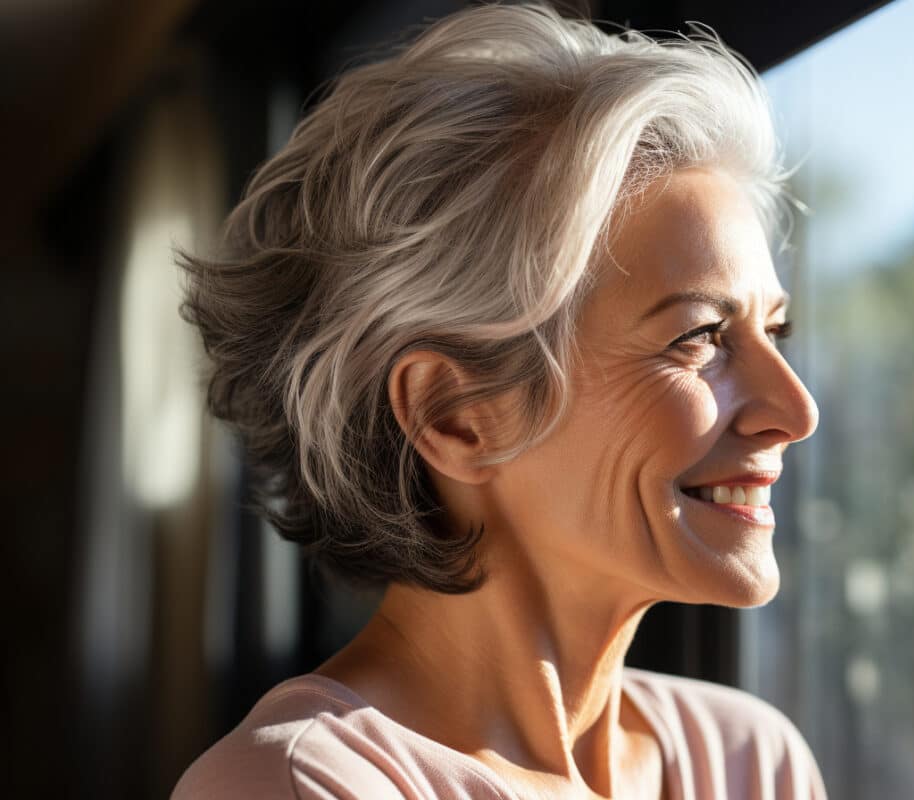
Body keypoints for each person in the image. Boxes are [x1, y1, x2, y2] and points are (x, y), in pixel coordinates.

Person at [171, 3, 824, 798]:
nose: (794, 410)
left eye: (774, 332)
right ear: (456, 415)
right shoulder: (300, 783)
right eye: (700, 338)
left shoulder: (749, 762)